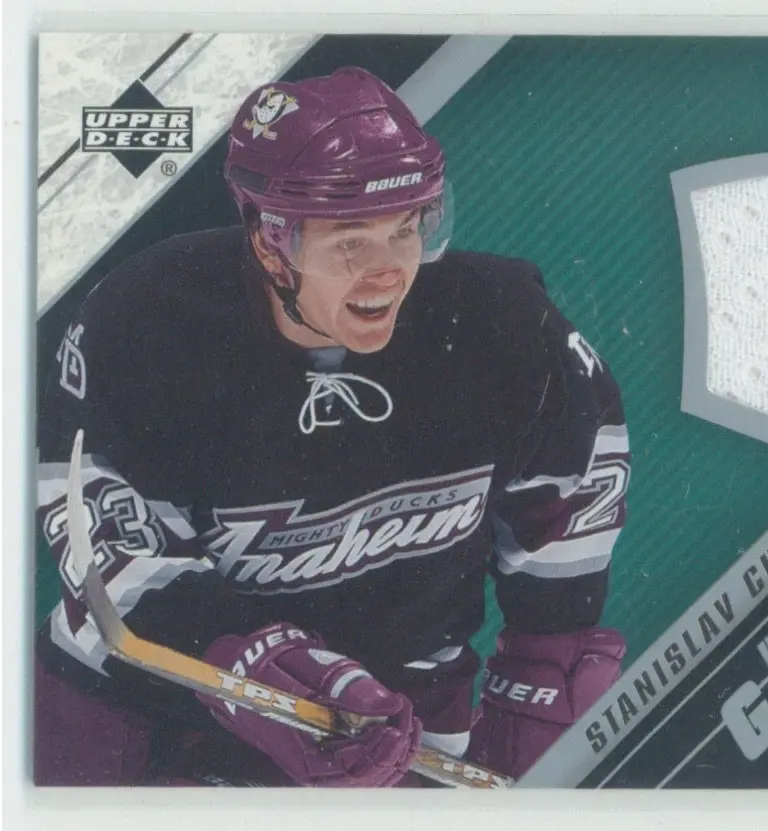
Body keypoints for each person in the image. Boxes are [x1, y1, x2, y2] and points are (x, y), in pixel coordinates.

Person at [34, 66, 629, 788]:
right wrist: (262, 668)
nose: (388, 272)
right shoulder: (150, 323)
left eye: (406, 229)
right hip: (154, 713)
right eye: (351, 242)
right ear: (270, 242)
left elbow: (576, 490)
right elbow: (105, 542)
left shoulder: (502, 324)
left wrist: (547, 666)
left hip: (398, 725)